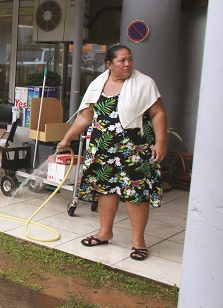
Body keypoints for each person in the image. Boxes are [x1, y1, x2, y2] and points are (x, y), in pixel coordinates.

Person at [57, 45, 167, 262]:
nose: (127, 64)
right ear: (109, 64)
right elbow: (85, 116)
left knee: (135, 193)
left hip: (133, 150)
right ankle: (105, 232)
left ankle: (138, 242)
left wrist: (161, 142)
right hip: (103, 149)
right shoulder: (97, 85)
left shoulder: (144, 84)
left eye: (130, 60)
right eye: (122, 61)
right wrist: (67, 138)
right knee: (105, 189)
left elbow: (158, 113)